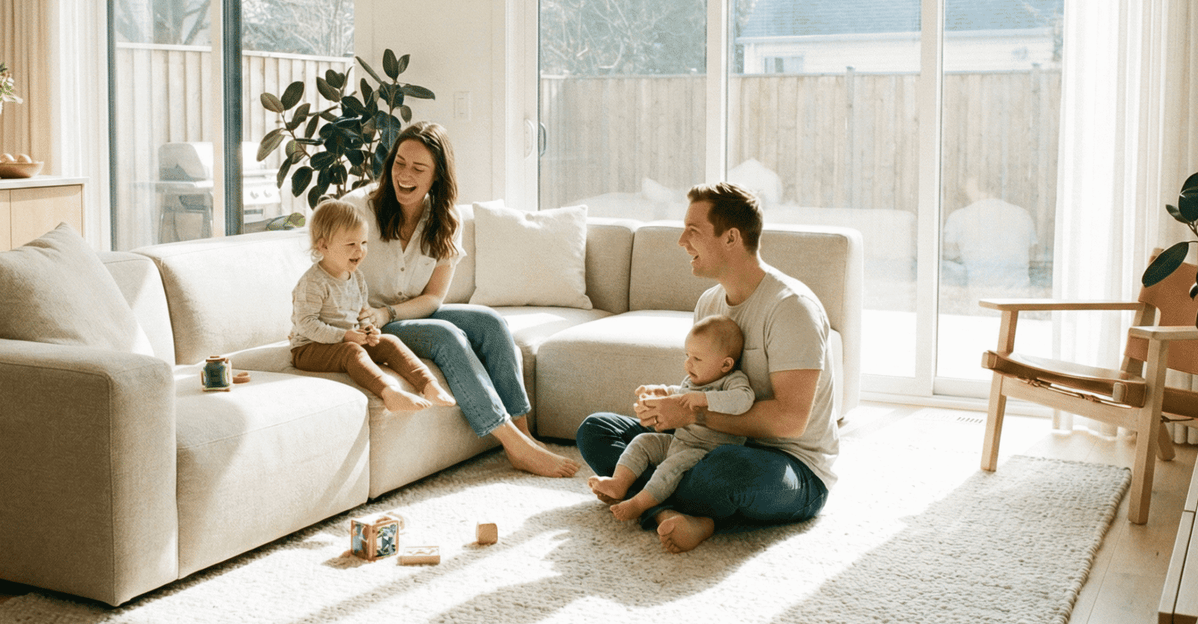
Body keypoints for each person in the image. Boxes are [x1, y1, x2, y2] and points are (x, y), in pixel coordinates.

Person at [576, 182, 838, 552]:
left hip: (791, 463)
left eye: (693, 231)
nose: (681, 240)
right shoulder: (710, 303)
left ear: (731, 238)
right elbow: (703, 389)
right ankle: (673, 514)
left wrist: (689, 415)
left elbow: (789, 420)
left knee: (723, 469)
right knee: (598, 430)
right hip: (708, 443)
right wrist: (666, 403)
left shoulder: (791, 309)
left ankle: (662, 506)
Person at [356, 121, 578, 478]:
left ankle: (524, 436)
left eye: (418, 168)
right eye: (399, 163)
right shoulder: (361, 208)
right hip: (367, 324)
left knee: (490, 322)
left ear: (436, 177)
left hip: (402, 313)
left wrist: (389, 313)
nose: (404, 175)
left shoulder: (446, 220)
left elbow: (432, 298)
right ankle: (512, 443)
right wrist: (373, 316)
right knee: (446, 335)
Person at [289, 199, 454, 413]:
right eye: (351, 244)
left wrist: (368, 330)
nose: (360, 250)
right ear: (324, 246)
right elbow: (306, 325)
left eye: (364, 243)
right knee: (351, 352)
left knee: (390, 342)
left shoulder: (356, 277)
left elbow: (362, 312)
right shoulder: (313, 283)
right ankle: (390, 393)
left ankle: (429, 385)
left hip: (345, 339)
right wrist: (346, 335)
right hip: (309, 348)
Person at [587, 314, 754, 521]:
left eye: (697, 359)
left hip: (705, 452)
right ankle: (619, 483)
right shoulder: (693, 379)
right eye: (687, 356)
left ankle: (640, 503)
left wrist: (704, 399)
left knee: (670, 466)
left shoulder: (732, 381)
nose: (688, 364)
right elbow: (681, 394)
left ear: (726, 365)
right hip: (679, 441)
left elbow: (744, 400)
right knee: (642, 441)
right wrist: (663, 391)